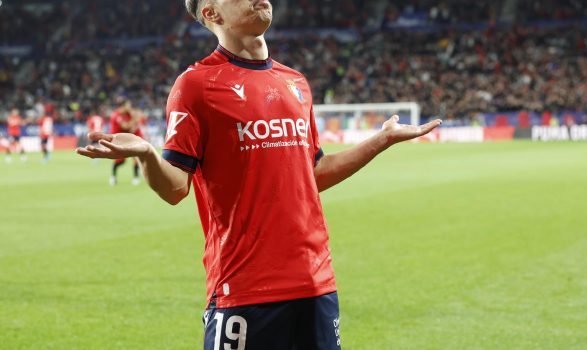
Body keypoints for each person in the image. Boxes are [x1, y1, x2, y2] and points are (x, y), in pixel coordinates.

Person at [76, 1, 442, 349]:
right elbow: (175, 188)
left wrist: (381, 141)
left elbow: (312, 175)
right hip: (244, 289)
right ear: (211, 12)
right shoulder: (195, 85)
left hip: (316, 284)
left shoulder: (296, 83)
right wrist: (148, 154)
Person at [108, 100, 142, 185]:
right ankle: (113, 176)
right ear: (123, 106)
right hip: (118, 140)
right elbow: (125, 126)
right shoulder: (116, 115)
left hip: (127, 139)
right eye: (128, 105)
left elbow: (132, 127)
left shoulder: (127, 114)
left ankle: (136, 177)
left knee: (137, 157)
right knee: (120, 161)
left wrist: (135, 119)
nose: (130, 107)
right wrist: (135, 119)